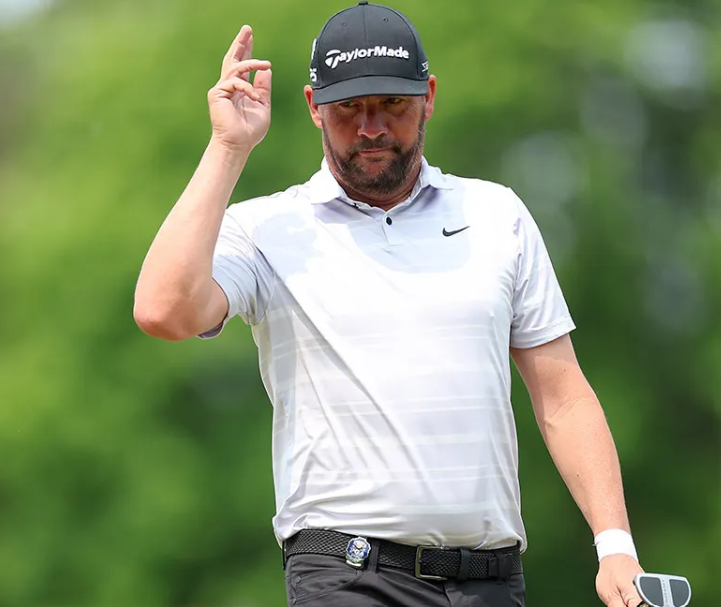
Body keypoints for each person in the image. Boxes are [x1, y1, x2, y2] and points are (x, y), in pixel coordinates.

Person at [133, 2, 645, 606]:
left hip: (491, 581)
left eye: (392, 105)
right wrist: (228, 147)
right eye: (349, 108)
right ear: (314, 106)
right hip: (348, 575)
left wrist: (615, 545)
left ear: (428, 97)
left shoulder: (495, 213)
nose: (371, 127)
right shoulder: (269, 228)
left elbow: (562, 396)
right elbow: (163, 310)